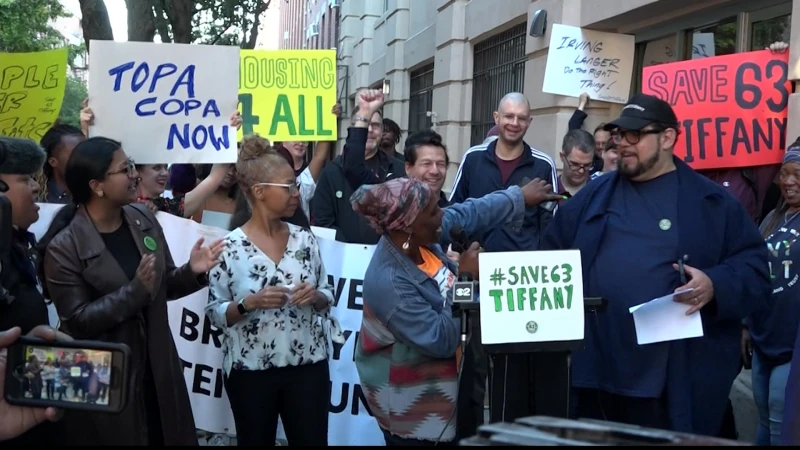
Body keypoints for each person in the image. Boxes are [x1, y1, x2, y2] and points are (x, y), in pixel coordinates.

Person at [541, 93, 770, 436]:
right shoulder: (593, 195)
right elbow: (550, 255)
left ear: (667, 138)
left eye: (635, 135)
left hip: (671, 384)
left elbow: (755, 271)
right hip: (596, 375)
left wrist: (715, 284)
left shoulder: (712, 203)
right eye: (620, 135)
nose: (623, 145)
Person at [38, 136, 224, 445]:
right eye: (126, 169)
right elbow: (78, 320)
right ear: (97, 185)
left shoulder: (144, 220)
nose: (135, 175)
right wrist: (134, 292)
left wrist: (192, 271)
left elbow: (162, 287)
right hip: (103, 380)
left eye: (133, 166)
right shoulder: (64, 247)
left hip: (159, 367)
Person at [350, 176, 560, 445]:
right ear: (408, 226)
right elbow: (441, 341)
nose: (443, 216)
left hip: (456, 390)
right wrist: (466, 279)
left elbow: (469, 212)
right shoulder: (389, 281)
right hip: (418, 415)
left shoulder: (419, 239)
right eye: (434, 212)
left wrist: (518, 197)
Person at [206, 134, 343, 446]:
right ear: (259, 192)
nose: (296, 193)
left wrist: (317, 296)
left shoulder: (305, 239)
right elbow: (216, 313)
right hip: (250, 371)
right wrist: (248, 304)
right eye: (288, 186)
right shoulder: (227, 247)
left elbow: (327, 294)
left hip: (308, 367)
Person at [746, 143, 800, 446]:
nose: (789, 182)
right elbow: (753, 271)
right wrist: (745, 324)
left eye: (798, 175)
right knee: (764, 415)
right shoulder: (770, 220)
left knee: (781, 415)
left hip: (792, 342)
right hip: (762, 334)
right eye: (785, 174)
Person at [312, 89, 406, 244]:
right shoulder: (331, 172)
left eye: (375, 125)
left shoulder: (399, 170)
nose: (369, 130)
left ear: (382, 131)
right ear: (353, 129)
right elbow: (323, 221)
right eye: (364, 124)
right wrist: (351, 251)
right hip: (343, 260)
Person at [0, 325, 69, 442]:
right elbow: (31, 371)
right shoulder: (32, 365)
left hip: (50, 429)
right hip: (27, 433)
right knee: (40, 392)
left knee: (44, 397)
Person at [39, 124, 86, 203]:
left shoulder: (97, 193)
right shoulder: (37, 198)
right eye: (76, 154)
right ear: (53, 162)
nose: (85, 159)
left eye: (86, 152)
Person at [557, 129, 595, 197]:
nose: (581, 171)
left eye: (587, 165)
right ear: (562, 156)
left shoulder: (599, 192)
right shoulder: (549, 190)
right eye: (575, 164)